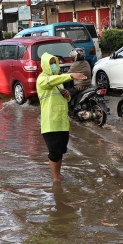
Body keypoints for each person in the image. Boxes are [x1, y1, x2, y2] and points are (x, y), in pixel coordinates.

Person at [37, 52, 88, 182]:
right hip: (50, 124)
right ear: (45, 65)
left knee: (60, 151)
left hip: (62, 122)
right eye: (51, 63)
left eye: (55, 63)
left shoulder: (59, 81)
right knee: (54, 153)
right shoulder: (42, 79)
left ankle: (58, 175)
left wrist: (67, 94)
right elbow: (51, 81)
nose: (54, 65)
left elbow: (65, 98)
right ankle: (56, 180)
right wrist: (71, 75)